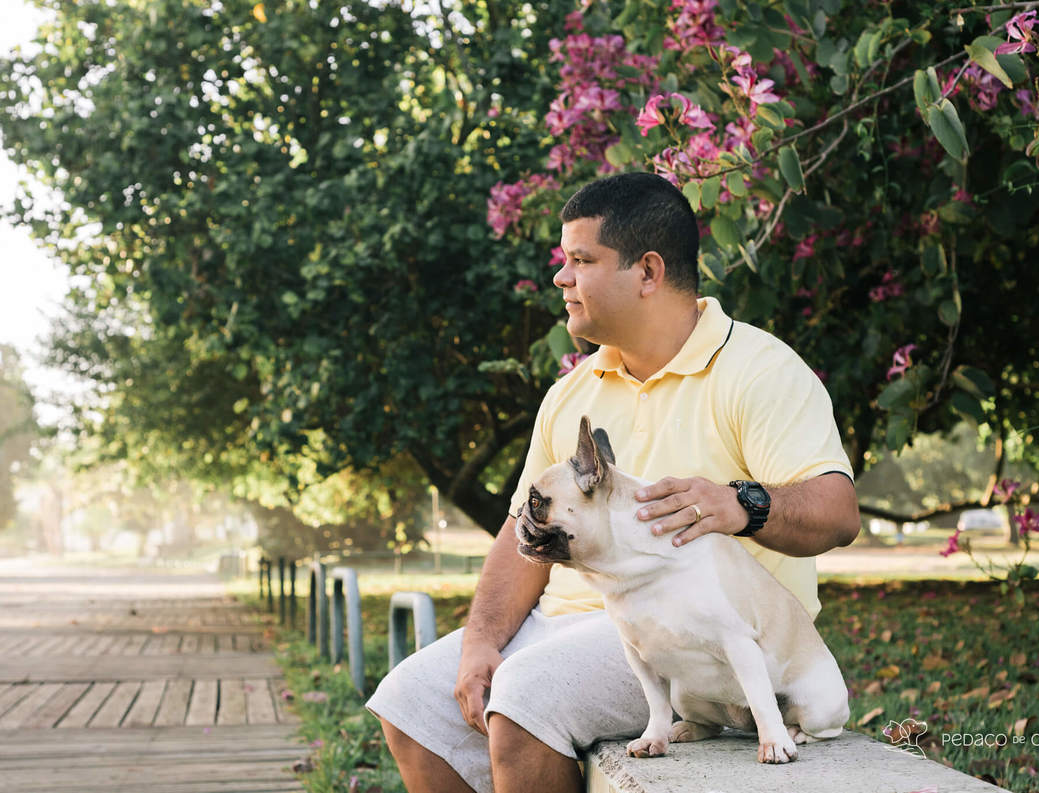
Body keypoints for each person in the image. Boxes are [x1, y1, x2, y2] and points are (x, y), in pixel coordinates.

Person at [365, 172, 860, 793]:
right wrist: (482, 641)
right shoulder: (570, 393)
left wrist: (742, 503)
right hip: (567, 620)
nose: (560, 277)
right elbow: (522, 531)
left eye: (581, 260)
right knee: (409, 701)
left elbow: (838, 512)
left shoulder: (759, 370)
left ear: (647, 271)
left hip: (698, 636)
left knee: (523, 700)